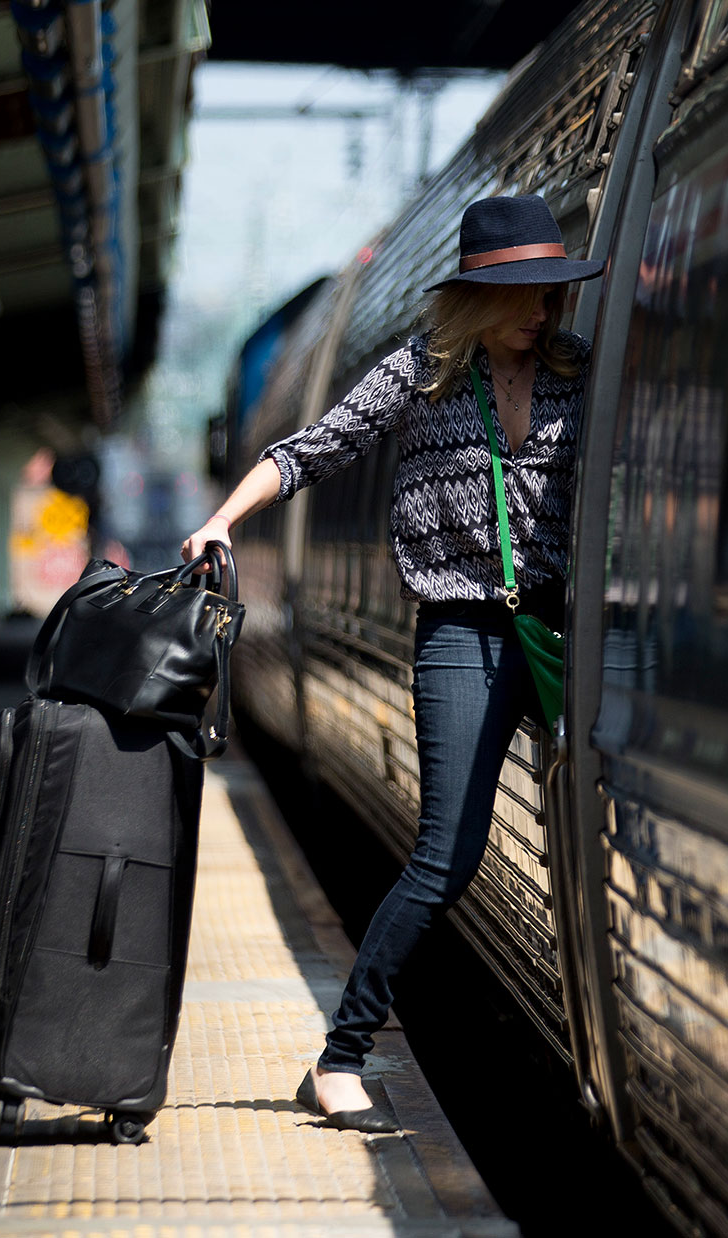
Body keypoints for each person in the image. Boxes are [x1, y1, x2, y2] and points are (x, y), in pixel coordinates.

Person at [182, 194, 604, 1131]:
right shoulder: (418, 377)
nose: (543, 311)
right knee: (446, 856)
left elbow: (680, 458)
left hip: (554, 630)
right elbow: (308, 452)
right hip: (459, 633)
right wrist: (220, 520)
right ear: (478, 300)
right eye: (524, 295)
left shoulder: (581, 377)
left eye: (551, 293)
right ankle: (340, 1057)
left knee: (625, 802)